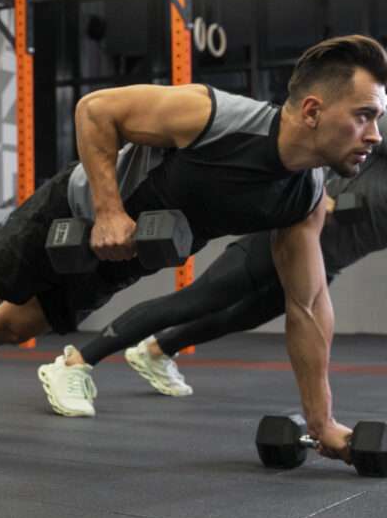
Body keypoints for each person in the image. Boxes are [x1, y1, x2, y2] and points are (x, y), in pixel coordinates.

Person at [0, 35, 386, 466]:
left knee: (11, 327)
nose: (375, 135)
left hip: (124, 257)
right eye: (364, 116)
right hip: (70, 215)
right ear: (313, 110)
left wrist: (322, 422)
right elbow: (97, 110)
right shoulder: (215, 116)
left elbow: (308, 308)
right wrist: (110, 210)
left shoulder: (304, 199)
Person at [113, 132, 387, 398]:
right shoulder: (379, 134)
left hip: (328, 264)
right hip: (288, 238)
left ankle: (155, 352)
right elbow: (331, 137)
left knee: (239, 318)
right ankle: (87, 359)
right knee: (196, 300)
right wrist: (316, 188)